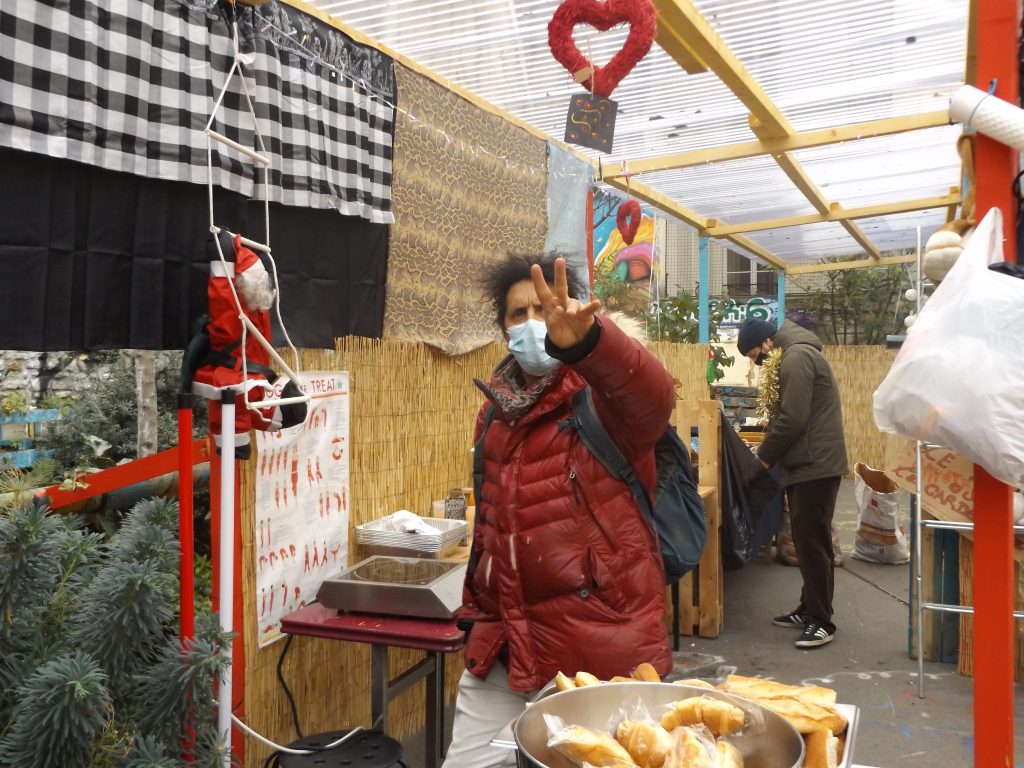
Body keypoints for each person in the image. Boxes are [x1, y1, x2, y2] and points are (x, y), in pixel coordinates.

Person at [443, 254, 675, 768]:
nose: (530, 324)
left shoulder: (603, 401)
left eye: (541, 310)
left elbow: (652, 398)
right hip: (505, 644)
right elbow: (492, 525)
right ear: (501, 328)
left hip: (598, 652)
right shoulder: (495, 412)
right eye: (516, 314)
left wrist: (591, 345)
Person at [736, 317, 848, 649]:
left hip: (815, 464)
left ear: (767, 342)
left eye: (755, 355)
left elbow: (793, 418)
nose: (757, 362)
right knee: (805, 539)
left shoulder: (796, 357)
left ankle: (821, 620)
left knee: (812, 543)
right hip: (807, 463)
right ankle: (808, 607)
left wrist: (764, 457)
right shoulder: (794, 355)